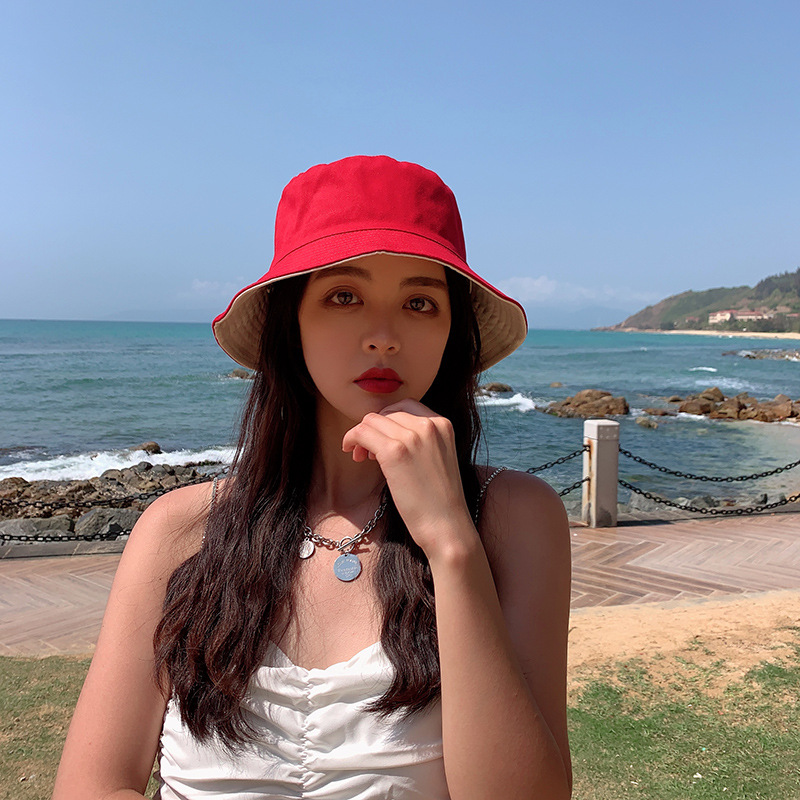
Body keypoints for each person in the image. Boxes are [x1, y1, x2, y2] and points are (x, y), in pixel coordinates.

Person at [53, 155, 572, 800]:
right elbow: (93, 784)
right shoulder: (179, 530)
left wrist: (451, 544)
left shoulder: (513, 517)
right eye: (343, 296)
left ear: (450, 331)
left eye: (419, 302)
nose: (383, 336)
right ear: (290, 320)